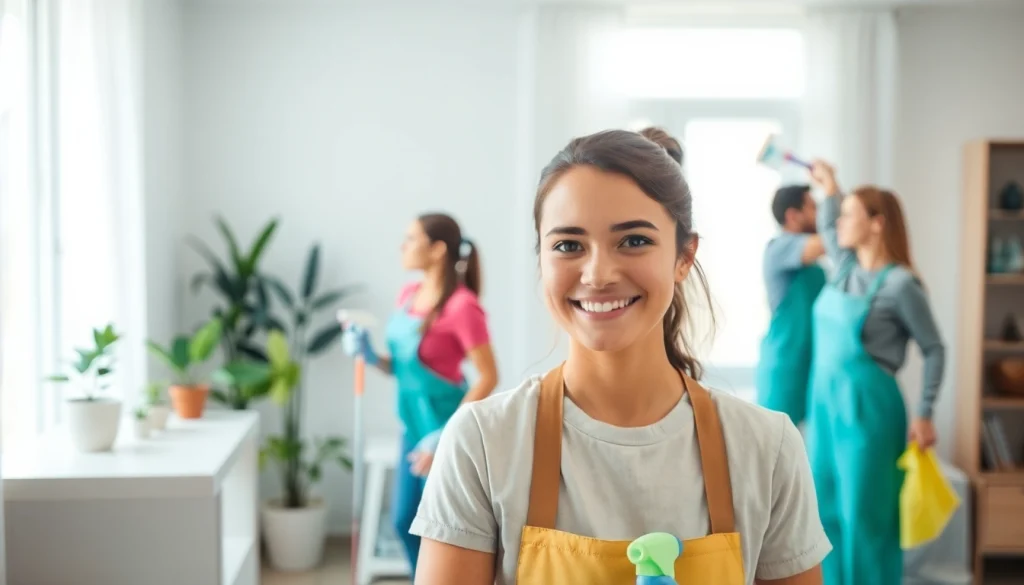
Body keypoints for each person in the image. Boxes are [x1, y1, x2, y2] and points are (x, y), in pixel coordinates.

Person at [409, 128, 830, 585]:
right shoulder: (482, 443)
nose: (598, 274)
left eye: (633, 241)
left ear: (684, 257)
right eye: (568, 245)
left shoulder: (767, 449)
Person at [805, 161, 945, 585]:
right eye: (843, 213)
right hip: (824, 407)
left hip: (870, 411)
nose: (839, 223)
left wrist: (924, 413)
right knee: (824, 515)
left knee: (866, 519)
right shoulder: (844, 268)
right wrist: (831, 188)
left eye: (852, 215)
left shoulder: (901, 285)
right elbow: (830, 224)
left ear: (877, 224)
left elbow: (935, 348)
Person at [340, 212, 499, 575]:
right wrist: (369, 356)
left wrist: (444, 436)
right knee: (403, 523)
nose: (403, 246)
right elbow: (402, 366)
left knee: (444, 531)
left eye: (411, 239)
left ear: (438, 249)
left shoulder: (462, 307)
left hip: (446, 430)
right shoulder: (408, 294)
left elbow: (489, 376)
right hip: (411, 426)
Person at [755, 185, 826, 425]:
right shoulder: (780, 248)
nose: (819, 214)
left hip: (810, 368)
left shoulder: (813, 266)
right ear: (792, 216)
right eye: (813, 208)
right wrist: (830, 188)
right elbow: (827, 242)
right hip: (785, 370)